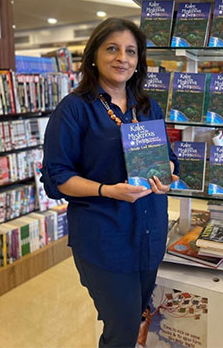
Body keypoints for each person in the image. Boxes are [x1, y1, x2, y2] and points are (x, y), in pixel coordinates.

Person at [40, 17, 180, 348]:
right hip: (104, 239)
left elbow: (170, 157)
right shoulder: (74, 109)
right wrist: (107, 190)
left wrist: (168, 173)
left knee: (140, 315)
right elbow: (56, 179)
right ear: (93, 55)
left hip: (149, 234)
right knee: (122, 327)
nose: (122, 58)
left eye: (131, 51)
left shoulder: (148, 106)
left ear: (138, 61)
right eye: (112, 49)